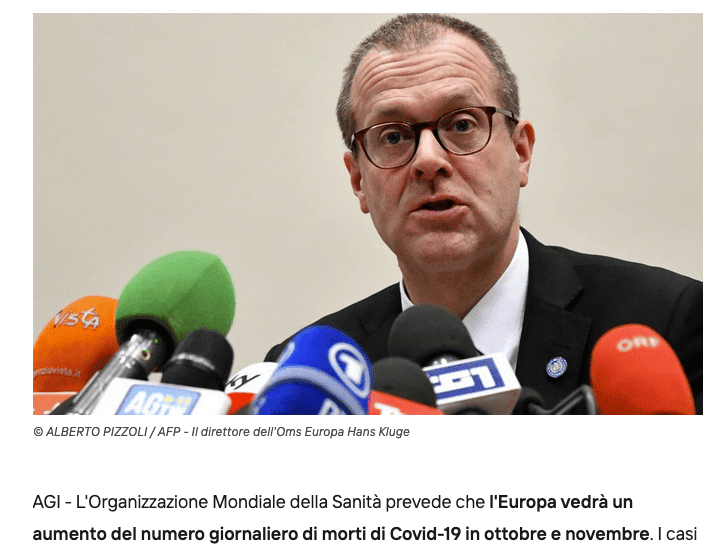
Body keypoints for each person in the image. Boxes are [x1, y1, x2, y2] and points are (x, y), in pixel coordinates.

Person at [264, 13, 702, 413]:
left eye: (461, 124)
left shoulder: (670, 321)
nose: (428, 160)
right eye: (393, 136)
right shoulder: (307, 382)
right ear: (358, 179)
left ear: (521, 152)